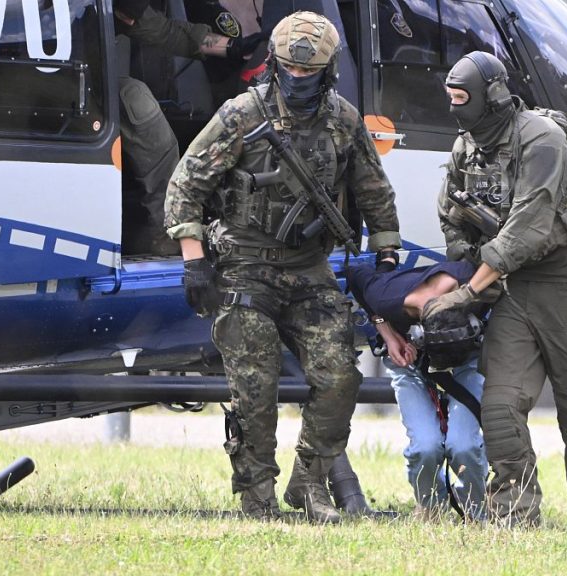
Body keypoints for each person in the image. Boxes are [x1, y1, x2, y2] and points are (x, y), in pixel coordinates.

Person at [163, 11, 401, 523]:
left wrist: (386, 254)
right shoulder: (242, 115)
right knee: (255, 385)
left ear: (327, 71)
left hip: (308, 267)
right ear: (274, 62)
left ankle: (309, 484)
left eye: (308, 72)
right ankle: (257, 497)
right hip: (245, 265)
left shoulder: (343, 120)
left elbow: (374, 192)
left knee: (340, 377)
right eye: (290, 69)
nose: (297, 78)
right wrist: (194, 262)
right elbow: (185, 184)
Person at [423, 51, 567, 528]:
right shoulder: (467, 147)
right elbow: (449, 213)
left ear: (490, 95)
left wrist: (469, 293)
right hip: (515, 288)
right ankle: (516, 511)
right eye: (451, 97)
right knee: (501, 405)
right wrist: (467, 253)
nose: (455, 107)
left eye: (463, 97)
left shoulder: (543, 139)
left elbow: (527, 231)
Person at [114, 0, 265, 255]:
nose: (130, 18)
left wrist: (233, 47)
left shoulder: (123, 12)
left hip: (87, 82)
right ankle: (168, 231)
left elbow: (164, 31)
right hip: (55, 87)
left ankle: (167, 230)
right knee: (135, 98)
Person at [346, 261, 488, 521]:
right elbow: (355, 274)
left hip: (468, 355)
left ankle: (477, 513)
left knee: (463, 445)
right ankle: (431, 509)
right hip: (412, 359)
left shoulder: (474, 278)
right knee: (426, 446)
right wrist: (388, 333)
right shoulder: (386, 297)